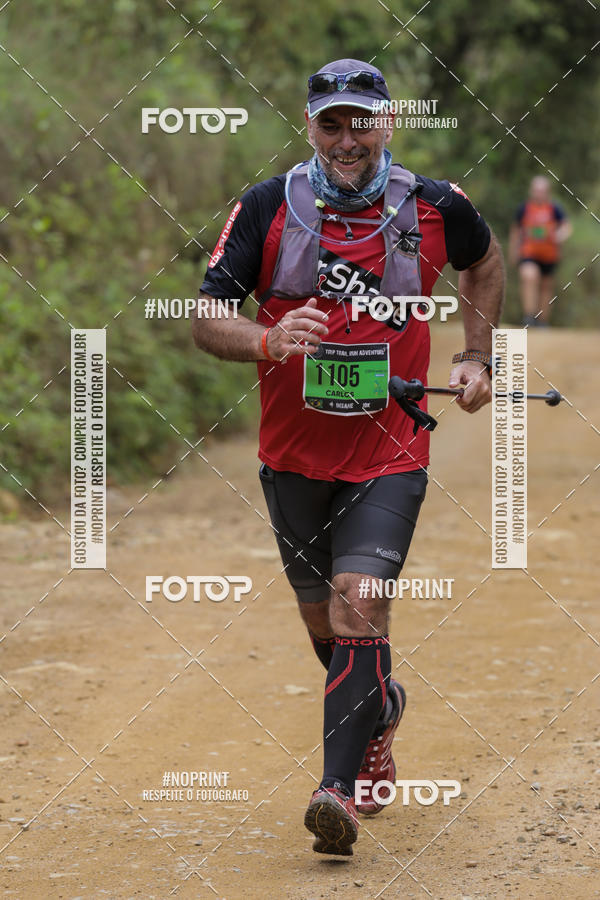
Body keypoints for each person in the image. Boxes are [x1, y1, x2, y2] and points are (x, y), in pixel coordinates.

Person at [192, 58, 504, 856]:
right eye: (331, 123)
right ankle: (380, 709)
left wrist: (477, 357)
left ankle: (336, 791)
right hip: (292, 456)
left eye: (361, 121)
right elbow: (205, 317)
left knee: (359, 598)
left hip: (389, 450)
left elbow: (485, 261)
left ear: (387, 123)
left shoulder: (435, 205)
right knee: (326, 628)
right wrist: (267, 338)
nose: (347, 138)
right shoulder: (267, 206)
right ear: (310, 127)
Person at [509, 176, 571, 326]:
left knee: (546, 286)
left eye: (542, 191)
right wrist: (513, 252)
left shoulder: (555, 208)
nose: (539, 193)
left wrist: (560, 235)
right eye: (536, 190)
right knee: (530, 276)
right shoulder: (524, 208)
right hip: (528, 253)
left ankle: (542, 321)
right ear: (531, 191)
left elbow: (566, 226)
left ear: (548, 192)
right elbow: (516, 231)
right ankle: (529, 317)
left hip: (549, 255)